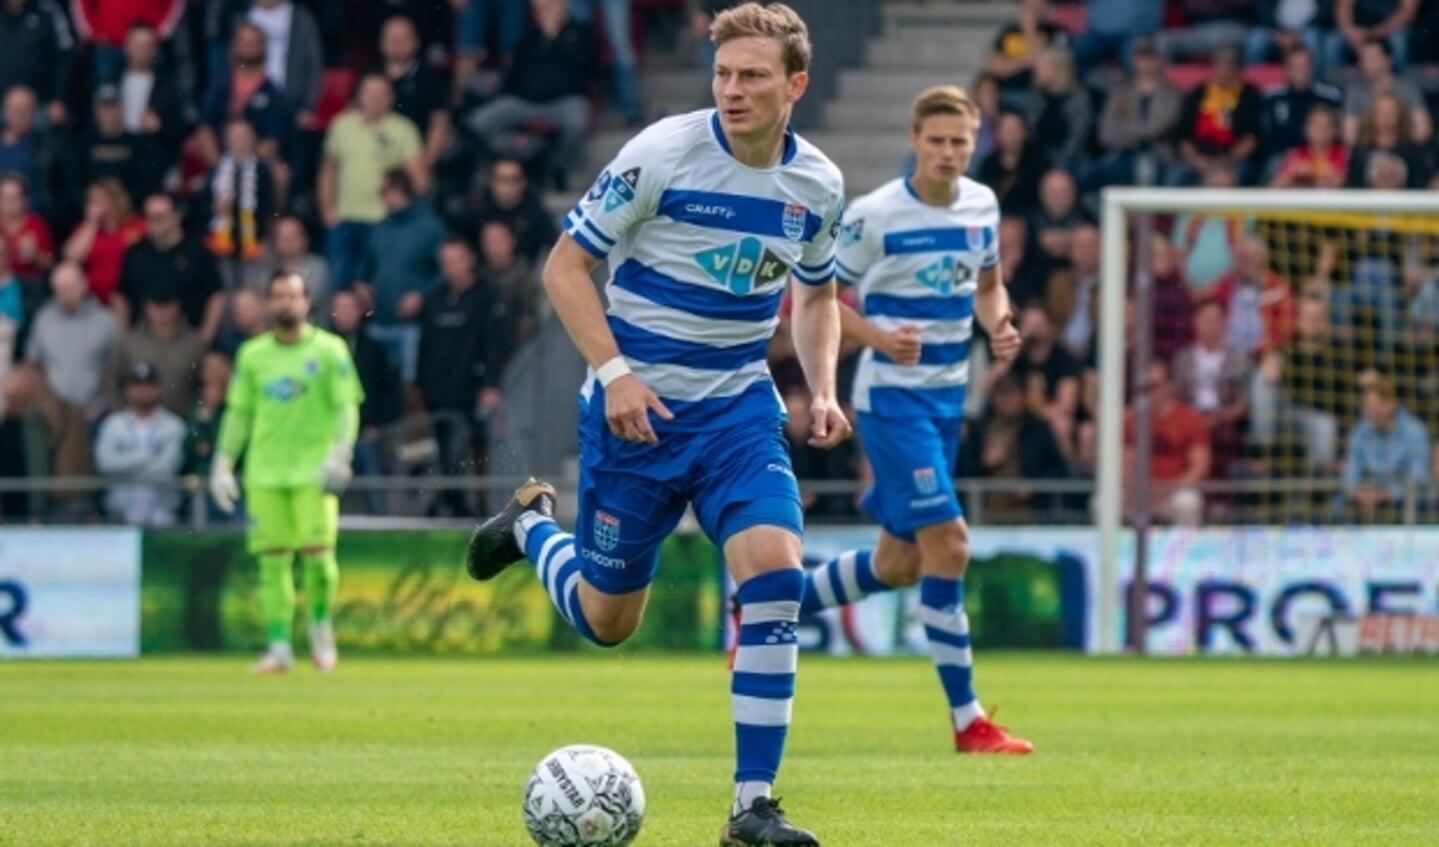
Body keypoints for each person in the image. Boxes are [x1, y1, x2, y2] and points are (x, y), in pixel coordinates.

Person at [464, 4, 845, 844]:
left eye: (752, 75)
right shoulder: (662, 154)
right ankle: (532, 526)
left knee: (775, 576)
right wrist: (617, 376)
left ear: (796, 85)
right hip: (633, 417)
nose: (733, 89)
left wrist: (820, 386)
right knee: (609, 622)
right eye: (723, 73)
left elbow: (815, 292)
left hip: (737, 413)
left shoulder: (816, 183)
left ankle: (752, 804)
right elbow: (564, 267)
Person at [803, 85, 1033, 755]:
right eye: (935, 140)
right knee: (951, 543)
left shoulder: (981, 205)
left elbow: (987, 286)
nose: (947, 152)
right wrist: (876, 337)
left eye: (959, 141)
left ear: (973, 141)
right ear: (914, 141)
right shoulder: (873, 215)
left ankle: (766, 607)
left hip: (946, 401)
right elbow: (815, 301)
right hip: (890, 402)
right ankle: (969, 723)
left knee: (899, 562)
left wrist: (1000, 324)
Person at [209, 271, 363, 674]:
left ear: (306, 302)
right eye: (277, 296)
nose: (285, 303)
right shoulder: (253, 355)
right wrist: (223, 462)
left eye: (292, 296)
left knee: (318, 556)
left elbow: (347, 406)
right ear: (268, 303)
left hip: (314, 472)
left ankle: (320, 630)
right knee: (272, 562)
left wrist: (341, 453)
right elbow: (239, 413)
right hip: (265, 473)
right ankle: (278, 646)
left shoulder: (330, 351)